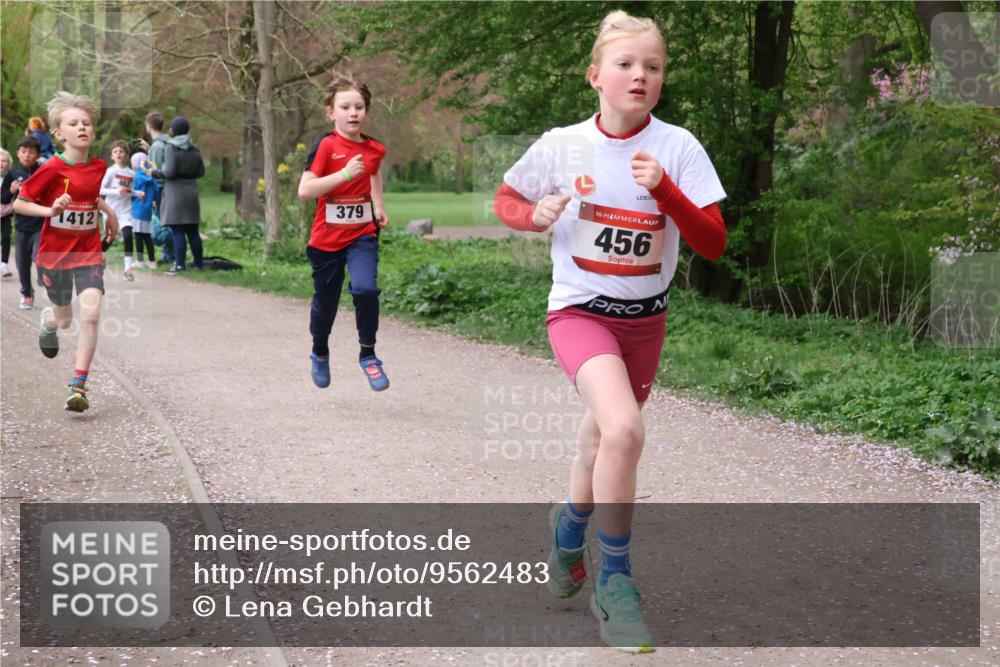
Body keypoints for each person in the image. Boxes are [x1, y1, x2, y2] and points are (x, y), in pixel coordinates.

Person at [493, 11, 727, 653]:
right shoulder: (563, 144)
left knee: (601, 446)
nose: (640, 76)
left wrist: (670, 195)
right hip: (579, 313)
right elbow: (507, 198)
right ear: (596, 75)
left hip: (644, 323)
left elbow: (712, 242)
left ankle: (569, 532)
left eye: (652, 67)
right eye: (626, 64)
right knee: (625, 429)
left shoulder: (678, 147)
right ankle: (614, 583)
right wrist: (530, 214)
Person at [13, 91, 118, 412]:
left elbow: (90, 195)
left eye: (86, 122)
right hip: (54, 254)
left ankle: (78, 384)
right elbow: (20, 203)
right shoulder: (51, 168)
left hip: (88, 251)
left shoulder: (99, 166)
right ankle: (49, 320)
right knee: (65, 318)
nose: (82, 127)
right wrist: (50, 212)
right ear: (59, 133)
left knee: (91, 314)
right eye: (73, 123)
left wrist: (109, 213)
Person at [297, 76, 390, 392]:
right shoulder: (326, 146)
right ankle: (320, 350)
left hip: (362, 234)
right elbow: (305, 190)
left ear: (366, 111)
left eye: (359, 107)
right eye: (345, 107)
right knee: (327, 305)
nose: (353, 113)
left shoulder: (374, 148)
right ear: (330, 113)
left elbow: (374, 172)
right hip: (326, 240)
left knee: (365, 289)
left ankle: (368, 354)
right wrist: (343, 174)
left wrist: (378, 205)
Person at [160, 116, 205, 274]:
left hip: (175, 192)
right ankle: (199, 264)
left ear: (173, 130)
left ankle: (179, 265)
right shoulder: (195, 148)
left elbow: (169, 171)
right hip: (191, 191)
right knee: (193, 230)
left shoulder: (170, 147)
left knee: (177, 230)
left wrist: (156, 172)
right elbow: (201, 172)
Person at [3, 136, 44, 308]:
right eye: (24, 152)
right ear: (18, 154)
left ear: (37, 155)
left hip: (41, 223)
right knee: (22, 263)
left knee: (38, 256)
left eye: (31, 152)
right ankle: (27, 293)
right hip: (21, 225)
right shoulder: (12, 174)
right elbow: (3, 198)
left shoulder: (43, 171)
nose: (27, 155)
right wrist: (11, 190)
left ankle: (47, 277)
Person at [100, 140, 138, 280]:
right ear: (112, 156)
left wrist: (137, 193)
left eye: (121, 151)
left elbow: (130, 190)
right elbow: (100, 189)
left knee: (128, 235)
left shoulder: (131, 173)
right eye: (115, 152)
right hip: (111, 210)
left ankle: (128, 268)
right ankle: (98, 256)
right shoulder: (110, 172)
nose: (118, 154)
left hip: (125, 211)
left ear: (127, 155)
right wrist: (117, 191)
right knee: (110, 238)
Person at [138, 111, 172, 265]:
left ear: (149, 126)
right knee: (167, 222)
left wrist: (152, 195)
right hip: (168, 189)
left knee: (164, 223)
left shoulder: (158, 146)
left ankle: (169, 255)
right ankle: (171, 253)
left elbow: (156, 171)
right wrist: (149, 148)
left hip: (161, 191)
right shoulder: (165, 143)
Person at [129, 152, 159, 268]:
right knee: (147, 236)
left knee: (138, 236)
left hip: (137, 209)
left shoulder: (135, 177)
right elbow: (157, 193)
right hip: (147, 211)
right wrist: (154, 200)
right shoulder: (151, 177)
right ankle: (152, 261)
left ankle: (140, 261)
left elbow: (131, 192)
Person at [0, 148, 12, 277]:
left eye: (4, 161)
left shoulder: (11, 177)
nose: (1, 163)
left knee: (6, 237)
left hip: (6, 213)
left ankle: (4, 264)